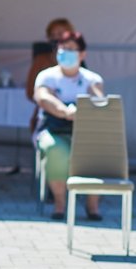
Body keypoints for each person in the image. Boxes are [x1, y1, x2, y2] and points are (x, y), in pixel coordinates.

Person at [33, 31, 103, 221]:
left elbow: (98, 98)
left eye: (72, 50)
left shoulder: (92, 79)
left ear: (82, 54)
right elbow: (44, 98)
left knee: (98, 148)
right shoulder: (46, 76)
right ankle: (59, 203)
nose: (66, 53)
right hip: (52, 130)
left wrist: (87, 106)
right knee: (56, 150)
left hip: (83, 132)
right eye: (63, 49)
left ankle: (92, 204)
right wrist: (64, 111)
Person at [25, 18, 75, 131]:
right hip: (49, 120)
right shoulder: (43, 66)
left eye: (60, 34)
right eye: (53, 35)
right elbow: (31, 92)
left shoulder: (82, 70)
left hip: (74, 120)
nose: (57, 38)